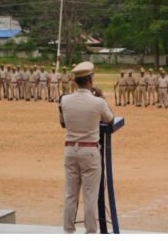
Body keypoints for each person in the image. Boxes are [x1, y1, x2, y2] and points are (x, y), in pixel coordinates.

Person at [58, 61, 114, 234]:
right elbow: (110, 119)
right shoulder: (97, 102)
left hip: (70, 150)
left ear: (75, 81)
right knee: (90, 196)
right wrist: (102, 97)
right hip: (89, 151)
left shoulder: (64, 99)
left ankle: (68, 231)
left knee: (70, 194)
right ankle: (90, 232)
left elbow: (62, 123)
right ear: (90, 80)